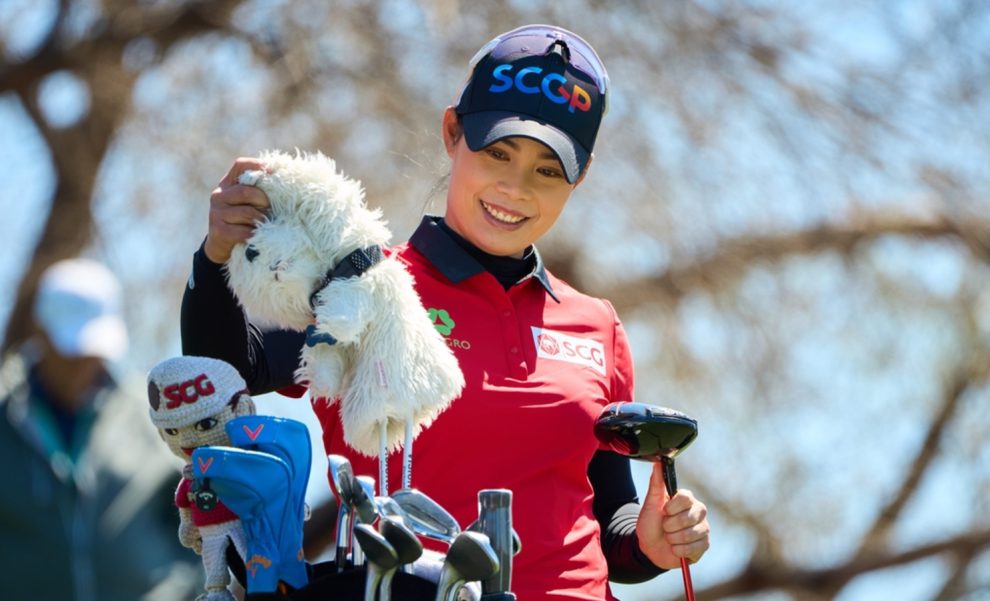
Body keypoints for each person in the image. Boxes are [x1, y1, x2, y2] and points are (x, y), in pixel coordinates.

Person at [182, 24, 710, 600]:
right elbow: (224, 372)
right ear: (453, 133)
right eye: (498, 152)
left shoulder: (596, 324)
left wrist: (651, 543)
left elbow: (611, 521)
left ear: (578, 176)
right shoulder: (364, 283)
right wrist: (213, 262)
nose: (515, 187)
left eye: (548, 170)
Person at [0, 258, 202, 601]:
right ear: (40, 330)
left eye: (92, 351)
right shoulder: (6, 413)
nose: (83, 364)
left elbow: (198, 520)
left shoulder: (153, 418)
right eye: (70, 350)